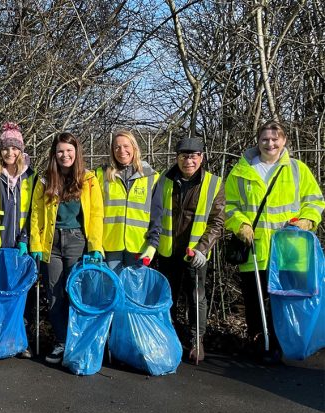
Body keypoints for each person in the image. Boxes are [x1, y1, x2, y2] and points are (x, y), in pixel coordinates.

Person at [224, 120, 324, 364]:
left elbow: (315, 201)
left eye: (275, 138)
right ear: (257, 141)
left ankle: (285, 343)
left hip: (289, 249)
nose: (270, 143)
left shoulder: (297, 169)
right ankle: (260, 343)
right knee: (255, 300)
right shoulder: (241, 171)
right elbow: (228, 206)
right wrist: (240, 225)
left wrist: (307, 221)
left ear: (284, 141)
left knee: (286, 299)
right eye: (265, 139)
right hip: (255, 246)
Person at [29, 133, 104, 365]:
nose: (65, 155)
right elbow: (36, 215)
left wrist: (95, 246)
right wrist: (35, 244)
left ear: (76, 152)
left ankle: (77, 341)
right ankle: (61, 341)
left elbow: (96, 215)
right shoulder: (44, 181)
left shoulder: (89, 179)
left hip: (77, 241)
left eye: (69, 151)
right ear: (54, 154)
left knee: (77, 293)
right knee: (54, 295)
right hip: (51, 243)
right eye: (60, 151)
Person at [153, 137, 225, 364]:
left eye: (194, 156)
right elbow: (154, 215)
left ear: (201, 158)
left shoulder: (213, 183)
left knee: (196, 297)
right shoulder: (164, 180)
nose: (189, 161)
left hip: (196, 253)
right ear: (177, 158)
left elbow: (217, 221)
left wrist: (203, 249)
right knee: (167, 297)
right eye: (184, 156)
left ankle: (197, 340)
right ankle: (168, 336)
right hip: (167, 251)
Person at [0, 122, 37, 358]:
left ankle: (17, 341)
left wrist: (26, 238)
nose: (10, 153)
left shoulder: (31, 177)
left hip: (19, 247)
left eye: (14, 149)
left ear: (21, 150)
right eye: (5, 149)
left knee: (18, 295)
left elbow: (33, 211)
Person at [96, 130, 163, 271]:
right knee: (112, 290)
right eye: (117, 147)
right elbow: (94, 213)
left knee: (134, 292)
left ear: (134, 147)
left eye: (126, 146)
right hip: (110, 246)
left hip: (139, 247)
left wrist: (152, 245)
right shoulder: (101, 175)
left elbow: (156, 216)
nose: (122, 151)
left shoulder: (151, 176)